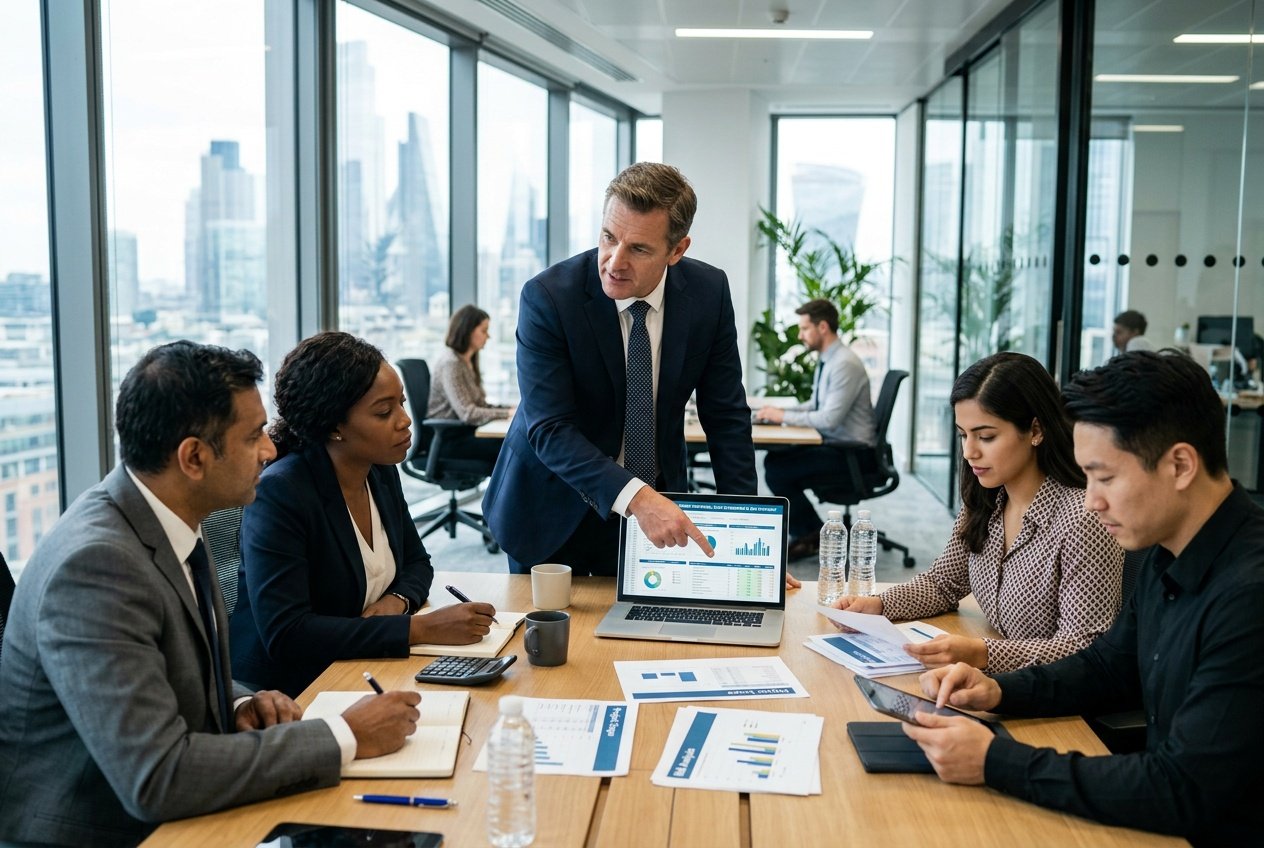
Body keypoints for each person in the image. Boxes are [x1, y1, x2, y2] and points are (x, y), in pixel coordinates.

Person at [0, 341, 420, 847]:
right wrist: (345, 736)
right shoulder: (97, 567)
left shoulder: (161, 522)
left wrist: (239, 703)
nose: (270, 450)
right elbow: (157, 777)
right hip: (105, 832)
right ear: (194, 457)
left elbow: (164, 677)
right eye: (253, 436)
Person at [903, 350, 1264, 844]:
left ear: (1180, 464)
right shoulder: (1172, 549)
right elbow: (1108, 666)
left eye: (1106, 477)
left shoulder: (1249, 596)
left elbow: (1183, 788)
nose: (1092, 500)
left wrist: (995, 759)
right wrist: (999, 691)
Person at [482, 162, 757, 576]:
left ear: (677, 250)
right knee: (550, 638)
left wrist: (750, 533)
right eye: (609, 237)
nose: (614, 262)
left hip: (655, 509)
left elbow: (726, 417)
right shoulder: (549, 298)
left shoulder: (709, 294)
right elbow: (550, 429)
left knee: (650, 635)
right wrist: (638, 498)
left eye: (639, 249)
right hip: (551, 506)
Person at [231, 332, 496, 697]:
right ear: (334, 426)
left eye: (401, 404)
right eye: (384, 412)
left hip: (365, 665)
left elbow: (419, 564)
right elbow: (288, 633)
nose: (405, 421)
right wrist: (419, 629)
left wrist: (396, 602)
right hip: (290, 690)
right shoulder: (282, 492)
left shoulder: (378, 469)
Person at [833, 352, 1123, 672]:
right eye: (963, 435)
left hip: (1057, 703)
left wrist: (983, 654)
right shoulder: (987, 501)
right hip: (1002, 683)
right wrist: (880, 605)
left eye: (986, 436)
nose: (970, 451)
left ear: (1036, 430)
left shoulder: (1084, 520)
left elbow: (1086, 646)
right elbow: (942, 584)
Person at [755, 298, 876, 559]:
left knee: (778, 469)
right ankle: (809, 531)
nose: (800, 336)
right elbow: (817, 404)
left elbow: (829, 419)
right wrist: (780, 413)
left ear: (822, 327)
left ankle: (811, 534)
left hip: (853, 454)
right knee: (777, 460)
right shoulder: (830, 359)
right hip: (837, 444)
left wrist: (782, 416)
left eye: (804, 328)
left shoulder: (843, 363)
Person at [426, 304, 513, 464]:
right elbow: (468, 413)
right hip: (450, 440)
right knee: (513, 449)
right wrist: (506, 414)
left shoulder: (468, 361)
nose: (488, 336)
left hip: (467, 433)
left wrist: (510, 409)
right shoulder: (451, 363)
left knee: (515, 445)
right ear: (467, 331)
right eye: (484, 330)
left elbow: (480, 405)